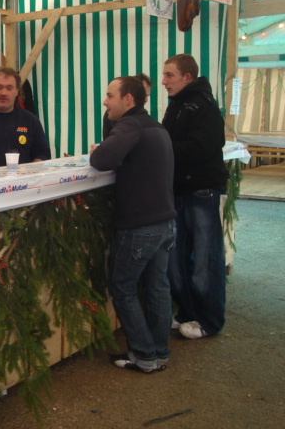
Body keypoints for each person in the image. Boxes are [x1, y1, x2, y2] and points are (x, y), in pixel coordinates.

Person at [90, 76, 176, 373]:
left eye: (110, 95)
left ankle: (143, 354)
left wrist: (97, 149)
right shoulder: (155, 126)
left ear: (128, 99)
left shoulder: (130, 125)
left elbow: (101, 160)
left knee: (123, 287)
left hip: (141, 225)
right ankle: (160, 353)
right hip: (165, 222)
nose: (105, 102)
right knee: (157, 288)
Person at [161, 54, 229, 340]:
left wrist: (162, 147)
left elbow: (201, 148)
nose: (164, 81)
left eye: (169, 75)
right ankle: (187, 311)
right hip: (179, 190)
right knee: (176, 257)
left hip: (203, 191)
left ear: (187, 77)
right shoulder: (176, 104)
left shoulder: (204, 106)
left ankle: (210, 320)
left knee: (205, 258)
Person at [102, 73, 152, 140]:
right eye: (143, 94)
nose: (146, 99)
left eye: (147, 95)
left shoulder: (140, 119)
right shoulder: (112, 114)